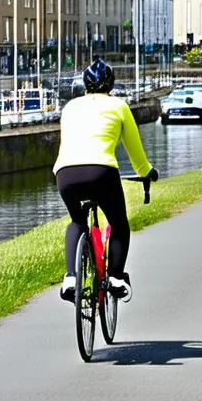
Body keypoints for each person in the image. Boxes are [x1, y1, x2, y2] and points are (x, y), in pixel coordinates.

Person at [53, 57, 158, 303]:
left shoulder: (70, 107)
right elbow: (135, 151)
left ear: (85, 85)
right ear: (111, 86)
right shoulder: (119, 106)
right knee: (119, 224)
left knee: (77, 221)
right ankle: (116, 277)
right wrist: (146, 172)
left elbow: (66, 144)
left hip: (65, 173)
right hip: (101, 171)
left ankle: (70, 277)